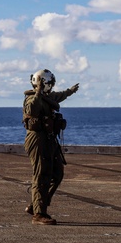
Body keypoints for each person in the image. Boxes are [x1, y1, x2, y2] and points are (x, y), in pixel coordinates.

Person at [22, 69, 79, 225]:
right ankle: (39, 214)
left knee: (57, 174)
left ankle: (36, 205)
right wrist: (39, 92)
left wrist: (71, 91)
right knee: (41, 175)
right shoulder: (32, 98)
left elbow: (60, 96)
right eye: (49, 84)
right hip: (37, 139)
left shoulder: (48, 98)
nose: (51, 87)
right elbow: (31, 110)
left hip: (49, 139)